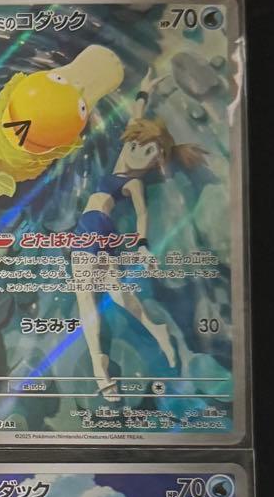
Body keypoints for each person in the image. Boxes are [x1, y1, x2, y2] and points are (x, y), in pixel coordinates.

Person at [72, 68, 208, 400]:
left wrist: (143, 245)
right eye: (140, 146)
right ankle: (157, 330)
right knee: (117, 296)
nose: (141, 153)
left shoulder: (133, 182)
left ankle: (99, 366)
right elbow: (137, 115)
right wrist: (145, 90)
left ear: (154, 164)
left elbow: (142, 214)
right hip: (98, 232)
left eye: (151, 155)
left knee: (86, 300)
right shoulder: (124, 159)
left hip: (92, 227)